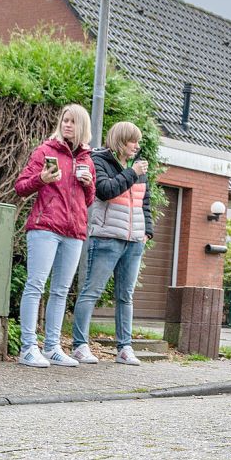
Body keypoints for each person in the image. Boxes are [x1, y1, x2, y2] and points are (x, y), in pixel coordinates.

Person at [13, 104, 95, 368]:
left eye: (72, 121)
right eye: (64, 120)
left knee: (60, 291)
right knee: (35, 285)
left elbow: (89, 200)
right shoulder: (45, 151)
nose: (67, 125)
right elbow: (21, 187)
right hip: (45, 228)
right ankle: (27, 348)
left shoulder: (87, 160)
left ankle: (52, 347)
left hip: (75, 232)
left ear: (82, 126)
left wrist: (88, 184)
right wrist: (42, 178)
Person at [71, 122, 153, 366]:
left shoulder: (138, 169)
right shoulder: (99, 161)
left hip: (134, 241)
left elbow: (144, 203)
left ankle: (124, 348)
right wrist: (132, 173)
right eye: (133, 141)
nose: (137, 146)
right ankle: (79, 345)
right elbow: (105, 190)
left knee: (125, 296)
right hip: (106, 237)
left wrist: (147, 231)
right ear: (120, 141)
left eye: (138, 142)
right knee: (91, 291)